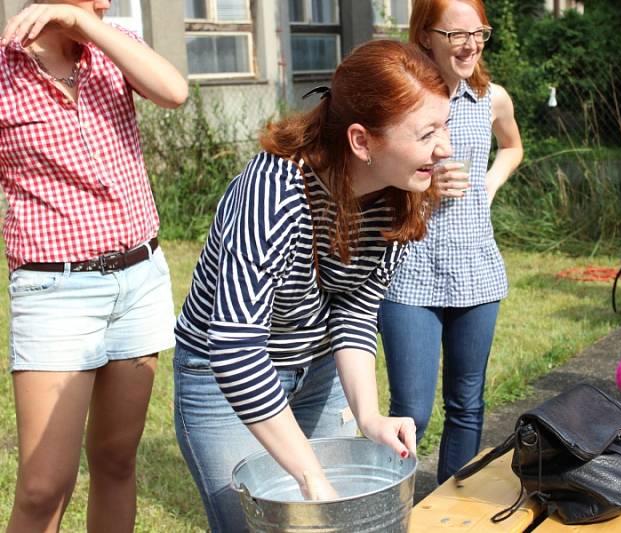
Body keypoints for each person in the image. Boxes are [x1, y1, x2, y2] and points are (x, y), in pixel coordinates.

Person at [173, 39, 452, 532]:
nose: (445, 147)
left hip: (317, 367)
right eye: (427, 131)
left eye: (444, 125)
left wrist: (368, 417)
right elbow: (236, 350)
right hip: (226, 379)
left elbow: (355, 309)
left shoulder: (398, 194)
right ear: (361, 141)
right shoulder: (273, 194)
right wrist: (310, 475)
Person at [0, 1, 188, 532]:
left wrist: (85, 24)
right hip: (54, 292)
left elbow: (173, 92)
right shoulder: (4, 71)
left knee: (114, 459)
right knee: (43, 487)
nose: (105, 3)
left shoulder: (111, 48)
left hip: (139, 280)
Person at [378, 0, 523, 484]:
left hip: (476, 270)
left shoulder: (491, 98)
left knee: (468, 404)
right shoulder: (399, 100)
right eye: (457, 34)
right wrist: (424, 191)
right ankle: (392, 508)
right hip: (409, 273)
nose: (471, 45)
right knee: (411, 413)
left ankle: (450, 506)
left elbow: (513, 145)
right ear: (424, 36)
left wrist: (490, 183)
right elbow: (369, 179)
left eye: (479, 33)